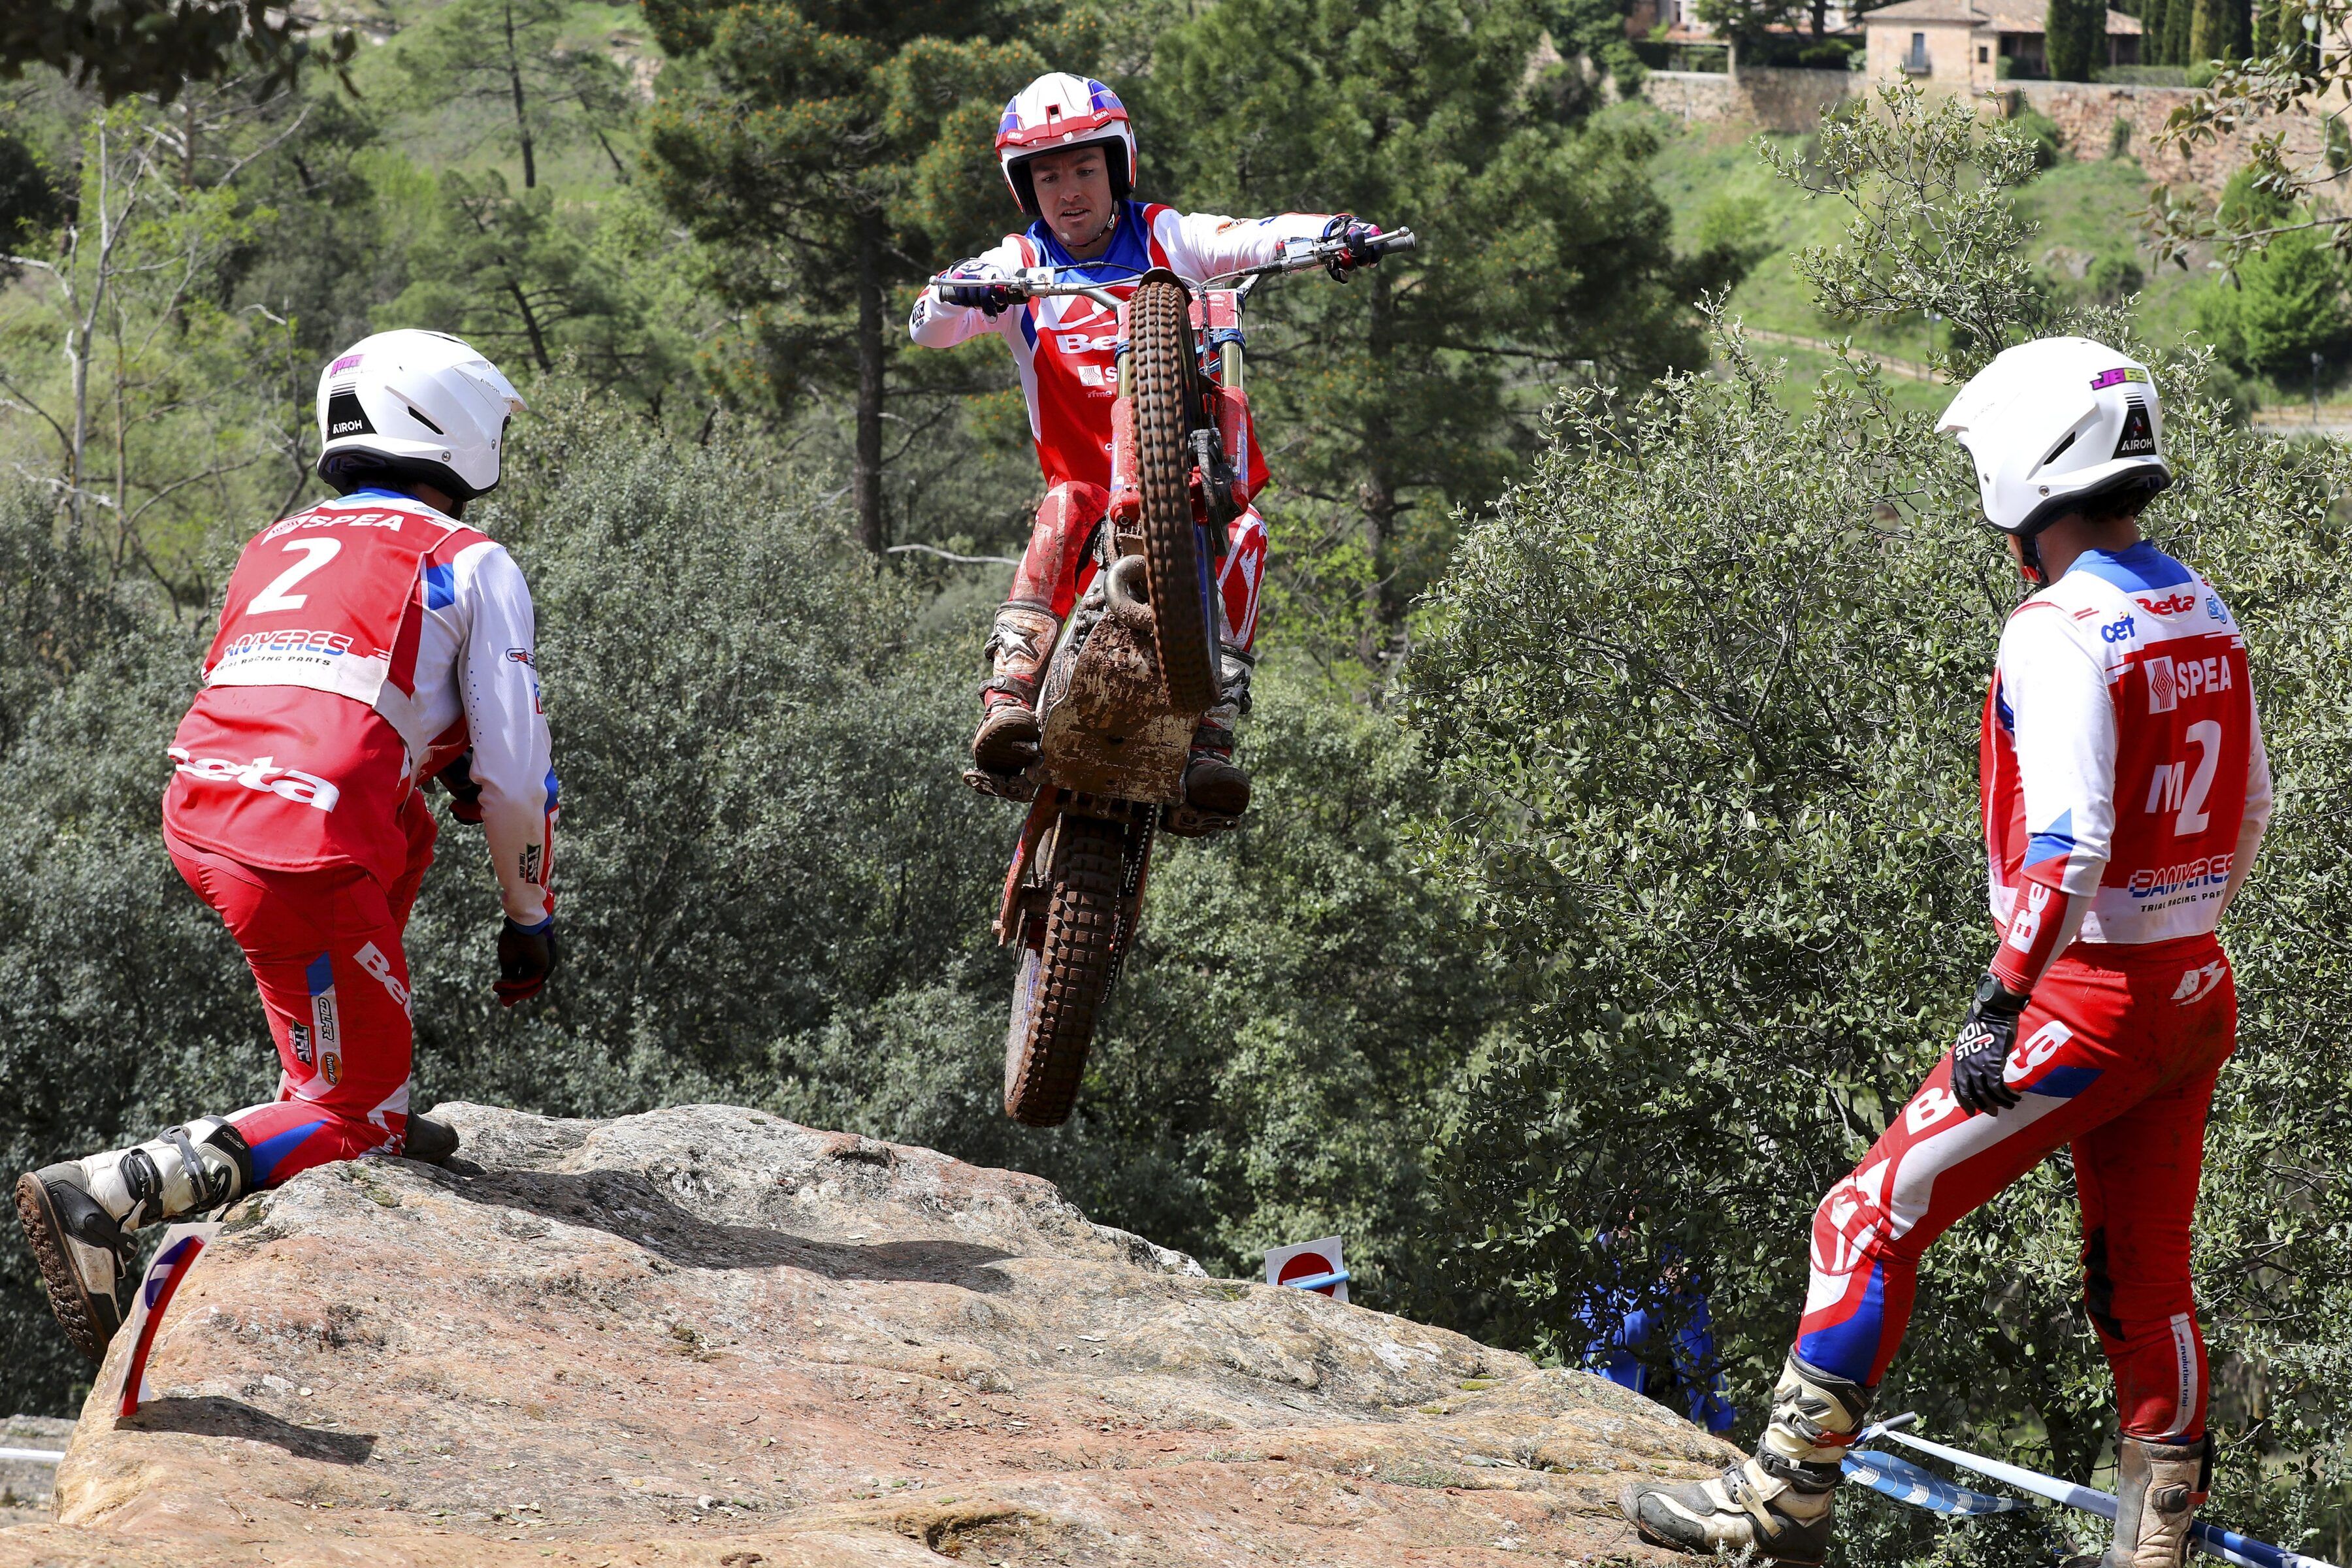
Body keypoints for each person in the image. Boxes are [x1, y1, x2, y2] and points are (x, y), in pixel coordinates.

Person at [1620, 337, 2272, 1568]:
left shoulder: (2058, 625)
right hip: (2193, 983)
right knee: (2144, 1284)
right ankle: (2159, 1550)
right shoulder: (2201, 604)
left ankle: (1780, 1509)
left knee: (1865, 1221)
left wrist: (1999, 1002)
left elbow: (2068, 846)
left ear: (2030, 472)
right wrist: (2179, 925)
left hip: (2084, 996)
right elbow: (2252, 809)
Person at [12, 329, 560, 1364]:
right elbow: (519, 778)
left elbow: (290, 692)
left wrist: (425, 744)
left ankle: (349, 1083)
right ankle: (107, 1191)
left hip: (206, 814)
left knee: (405, 826)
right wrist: (530, 917)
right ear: (457, 431)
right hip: (295, 847)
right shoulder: (470, 562)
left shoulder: (274, 540)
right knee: (358, 1111)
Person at [909, 71, 1388, 815]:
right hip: (1091, 498)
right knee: (1064, 503)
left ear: (1117, 165)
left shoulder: (1165, 236)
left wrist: (1330, 235)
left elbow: (1248, 237)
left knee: (1250, 532)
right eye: (1049, 175)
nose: (1069, 191)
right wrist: (958, 291)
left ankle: (1214, 734)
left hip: (1191, 491)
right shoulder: (1019, 266)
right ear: (1025, 188)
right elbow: (929, 327)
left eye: (1084, 169)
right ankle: (1008, 694)